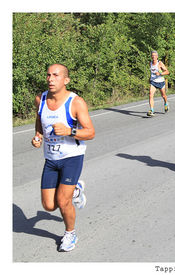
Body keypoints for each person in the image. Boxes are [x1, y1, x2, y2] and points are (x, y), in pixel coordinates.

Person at [31, 64, 95, 252]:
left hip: (72, 158)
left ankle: (70, 233)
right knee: (49, 205)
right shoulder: (40, 99)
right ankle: (76, 189)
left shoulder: (75, 102)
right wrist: (38, 135)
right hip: (50, 159)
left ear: (65, 80)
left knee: (63, 200)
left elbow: (90, 132)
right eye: (48, 75)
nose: (50, 79)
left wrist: (69, 131)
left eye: (56, 75)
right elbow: (39, 118)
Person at [147, 50, 170, 117]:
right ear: (151, 56)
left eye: (155, 55)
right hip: (153, 82)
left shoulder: (159, 63)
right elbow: (151, 72)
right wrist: (150, 78)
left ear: (157, 56)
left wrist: (160, 73)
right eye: (152, 55)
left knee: (163, 96)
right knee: (150, 94)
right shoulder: (150, 63)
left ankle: (166, 103)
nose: (153, 57)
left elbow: (167, 72)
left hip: (160, 82)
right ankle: (152, 110)